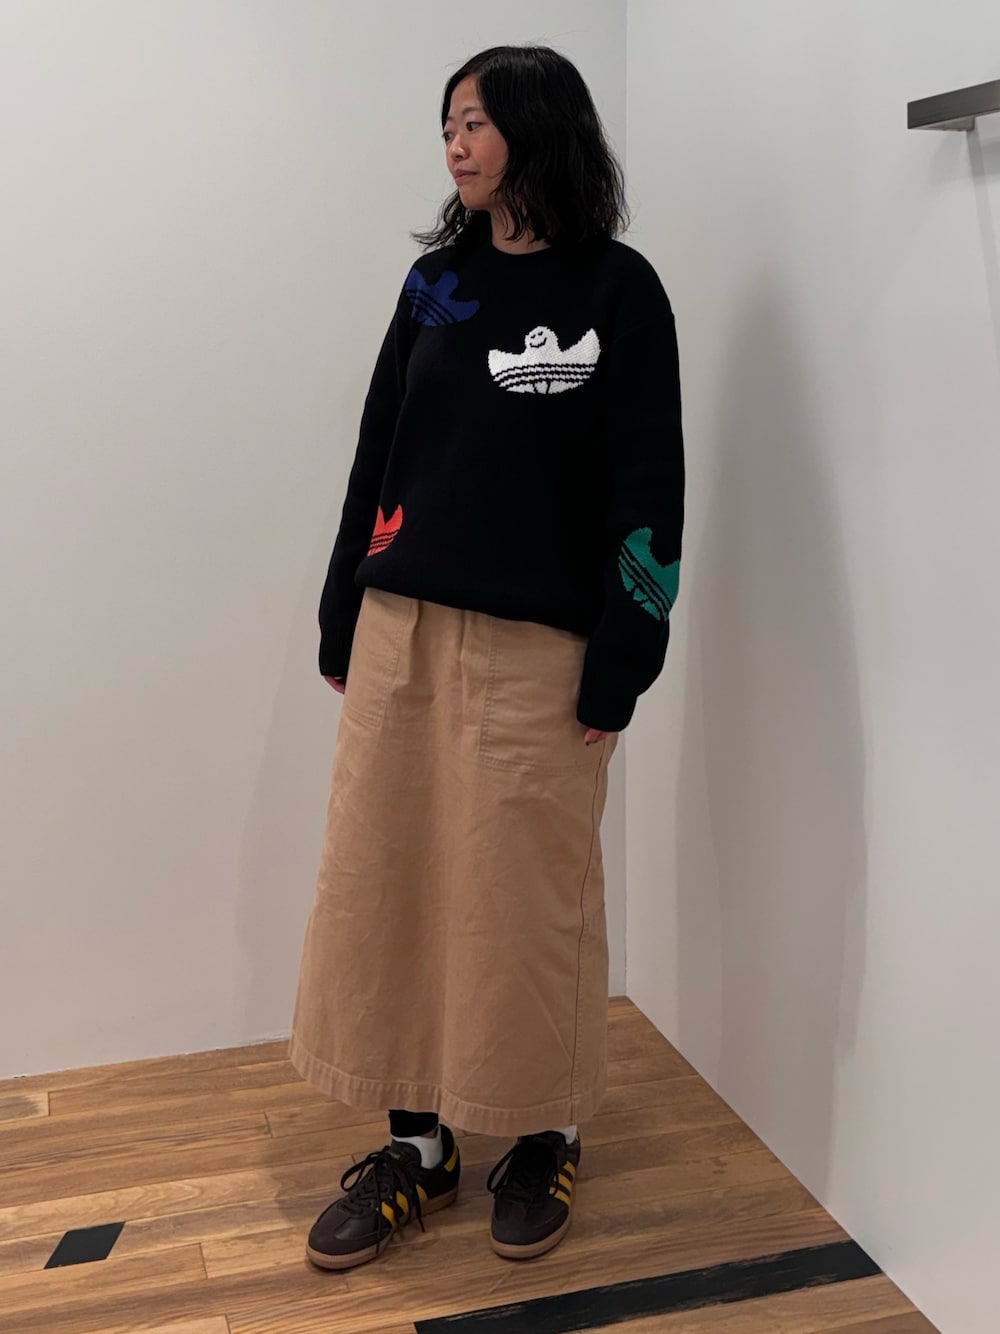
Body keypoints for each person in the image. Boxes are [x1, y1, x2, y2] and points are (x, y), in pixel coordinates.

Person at [289, 43, 684, 1271]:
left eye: (473, 121)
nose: (454, 144)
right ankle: (416, 1145)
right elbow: (378, 452)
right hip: (402, 627)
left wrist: (626, 649)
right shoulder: (435, 287)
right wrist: (341, 608)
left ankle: (542, 1132)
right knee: (389, 882)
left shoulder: (619, 290)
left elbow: (649, 485)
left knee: (525, 901)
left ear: (535, 127)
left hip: (543, 646)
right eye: (447, 124)